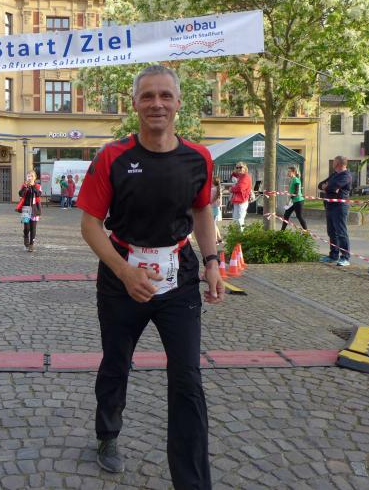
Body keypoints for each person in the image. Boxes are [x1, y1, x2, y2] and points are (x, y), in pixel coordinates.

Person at [77, 65, 224, 489]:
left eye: (164, 96)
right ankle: (107, 434)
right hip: (121, 275)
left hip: (179, 277)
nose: (156, 104)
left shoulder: (198, 157)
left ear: (178, 103)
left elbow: (201, 210)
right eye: (147, 96)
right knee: (116, 362)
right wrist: (124, 272)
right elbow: (90, 225)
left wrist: (212, 261)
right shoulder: (113, 157)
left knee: (187, 378)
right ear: (135, 104)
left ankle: (192, 482)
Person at [318, 156, 353, 266]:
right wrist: (327, 186)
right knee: (331, 231)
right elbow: (320, 185)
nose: (333, 163)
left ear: (338, 163)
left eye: (334, 161)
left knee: (341, 232)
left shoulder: (346, 175)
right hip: (330, 205)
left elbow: (332, 187)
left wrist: (328, 187)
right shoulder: (334, 174)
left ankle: (345, 257)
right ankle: (333, 255)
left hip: (339, 207)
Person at [18, 171, 42, 252]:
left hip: (35, 209)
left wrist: (33, 186)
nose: (30, 178)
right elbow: (21, 194)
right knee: (27, 228)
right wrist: (25, 187)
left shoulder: (38, 186)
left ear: (35, 177)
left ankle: (31, 244)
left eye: (31, 176)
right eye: (28, 176)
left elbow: (38, 194)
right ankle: (25, 236)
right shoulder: (24, 185)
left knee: (33, 228)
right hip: (26, 209)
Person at [280, 166, 307, 231]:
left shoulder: (296, 179)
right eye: (288, 171)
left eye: (289, 171)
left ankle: (306, 232)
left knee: (299, 216)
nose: (288, 173)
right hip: (293, 201)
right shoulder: (291, 180)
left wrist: (289, 200)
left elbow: (296, 192)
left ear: (294, 172)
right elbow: (292, 192)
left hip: (298, 201)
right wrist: (289, 199)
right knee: (286, 215)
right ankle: (282, 231)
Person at [230, 162, 252, 230]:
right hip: (238, 200)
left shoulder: (245, 177)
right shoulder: (240, 177)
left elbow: (240, 188)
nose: (238, 169)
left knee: (239, 219)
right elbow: (233, 175)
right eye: (237, 167)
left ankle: (241, 234)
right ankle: (237, 234)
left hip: (242, 200)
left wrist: (232, 189)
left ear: (245, 168)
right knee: (235, 219)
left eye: (240, 167)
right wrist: (234, 173)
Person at [211, 176, 223, 244]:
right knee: (214, 224)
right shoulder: (218, 189)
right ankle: (219, 238)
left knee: (213, 225)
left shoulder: (212, 190)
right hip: (217, 208)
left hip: (212, 208)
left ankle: (215, 240)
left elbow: (210, 200)